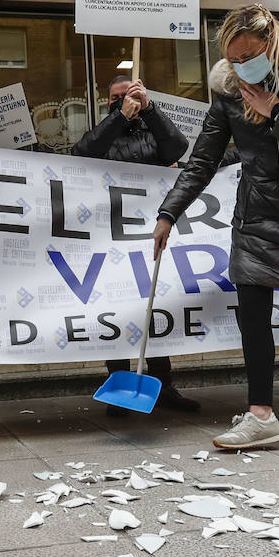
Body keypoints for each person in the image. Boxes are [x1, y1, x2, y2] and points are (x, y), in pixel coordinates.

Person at [154, 3, 279, 453]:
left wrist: (276, 110)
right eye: (234, 58)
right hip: (256, 218)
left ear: (274, 44)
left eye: (250, 55)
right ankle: (260, 415)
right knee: (253, 318)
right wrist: (169, 213)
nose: (242, 66)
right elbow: (203, 158)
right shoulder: (229, 89)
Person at [73, 74, 199, 416]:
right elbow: (82, 154)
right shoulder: (105, 131)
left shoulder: (152, 131)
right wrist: (120, 117)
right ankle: (120, 381)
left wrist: (150, 108)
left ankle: (164, 383)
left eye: (127, 95)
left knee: (155, 306)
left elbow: (177, 148)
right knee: (118, 309)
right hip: (113, 238)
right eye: (115, 97)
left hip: (153, 232)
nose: (121, 100)